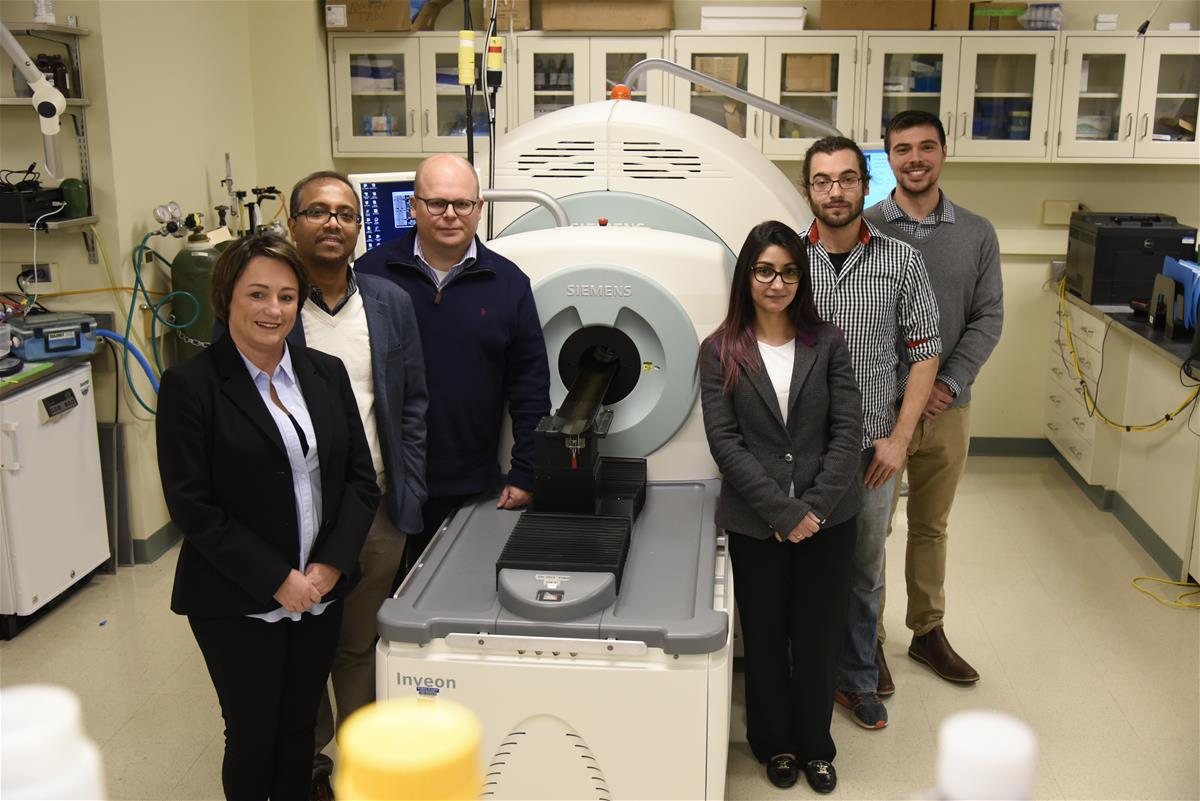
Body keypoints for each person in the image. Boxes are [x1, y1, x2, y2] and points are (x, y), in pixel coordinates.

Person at [156, 233, 380, 801]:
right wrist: (277, 580)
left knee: (300, 731)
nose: (273, 310)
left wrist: (330, 565)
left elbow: (360, 477)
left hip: (320, 591)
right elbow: (192, 506)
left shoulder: (324, 373)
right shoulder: (192, 387)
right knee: (255, 735)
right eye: (257, 294)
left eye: (286, 295)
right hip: (238, 599)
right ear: (226, 298)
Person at [699, 220, 863, 794]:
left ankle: (816, 743)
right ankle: (774, 742)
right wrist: (781, 511)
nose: (777, 283)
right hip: (756, 521)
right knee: (765, 637)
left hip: (830, 517)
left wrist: (812, 506)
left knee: (818, 634)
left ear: (802, 276)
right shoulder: (720, 350)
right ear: (747, 275)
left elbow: (848, 432)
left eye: (789, 271)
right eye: (765, 270)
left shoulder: (830, 342)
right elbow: (726, 443)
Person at [283, 171, 428, 801]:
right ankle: (313, 763)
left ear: (359, 225)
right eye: (317, 211)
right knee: (303, 644)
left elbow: (412, 403)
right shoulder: (272, 303)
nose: (333, 223)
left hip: (373, 504)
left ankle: (363, 762)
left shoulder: (389, 302)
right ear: (294, 225)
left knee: (358, 642)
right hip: (295, 510)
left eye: (344, 213)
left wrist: (409, 488)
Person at [799, 136, 942, 731]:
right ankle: (800, 675)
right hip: (800, 450)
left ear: (865, 185)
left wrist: (899, 438)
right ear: (807, 189)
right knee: (799, 570)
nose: (835, 191)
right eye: (822, 180)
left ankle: (857, 680)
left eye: (847, 179)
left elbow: (925, 353)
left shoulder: (900, 261)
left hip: (872, 451)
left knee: (863, 569)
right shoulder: (785, 262)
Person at [355, 153, 550, 578]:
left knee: (453, 595)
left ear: (479, 208)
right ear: (413, 206)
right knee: (377, 603)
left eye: (462, 204)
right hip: (382, 480)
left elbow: (530, 385)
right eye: (436, 203)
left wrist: (526, 471)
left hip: (470, 482)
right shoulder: (370, 276)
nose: (450, 215)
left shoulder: (509, 283)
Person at [864, 110, 1004, 686]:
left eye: (926, 147)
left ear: (944, 152)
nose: (915, 158)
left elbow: (987, 317)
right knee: (871, 529)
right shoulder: (867, 227)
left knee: (930, 525)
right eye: (903, 149)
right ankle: (866, 637)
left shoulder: (976, 233)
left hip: (948, 410)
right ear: (890, 158)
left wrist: (946, 384)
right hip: (879, 411)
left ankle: (927, 631)